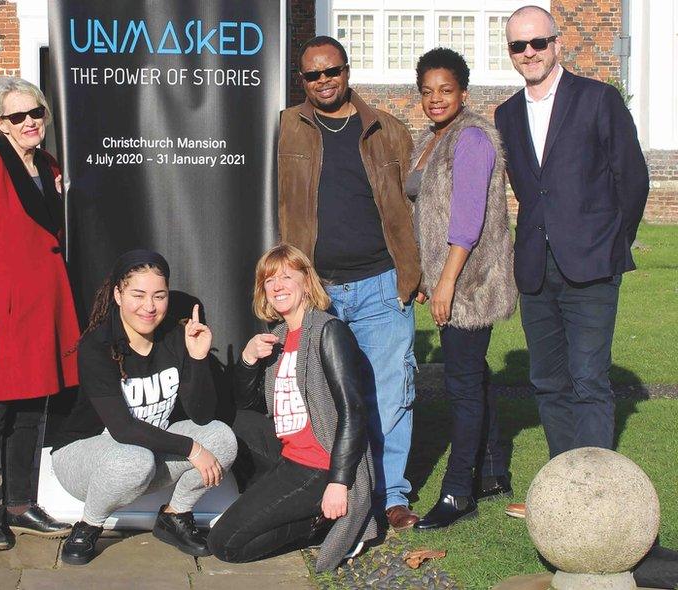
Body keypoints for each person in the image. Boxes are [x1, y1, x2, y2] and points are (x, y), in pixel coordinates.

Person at [493, 6, 649, 518]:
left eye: (538, 42)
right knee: (548, 381)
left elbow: (633, 179)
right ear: (511, 52)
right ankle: (564, 490)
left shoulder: (598, 99)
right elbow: (527, 189)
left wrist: (609, 241)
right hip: (536, 266)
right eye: (519, 46)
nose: (530, 53)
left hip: (591, 266)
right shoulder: (507, 114)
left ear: (557, 43)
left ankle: (596, 498)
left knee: (588, 380)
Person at [277, 35, 422, 530]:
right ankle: (336, 494)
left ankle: (390, 495)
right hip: (320, 291)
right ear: (302, 80)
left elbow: (414, 206)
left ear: (346, 71)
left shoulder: (387, 130)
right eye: (312, 75)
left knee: (388, 394)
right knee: (323, 397)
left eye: (331, 71)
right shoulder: (287, 128)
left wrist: (414, 271)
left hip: (382, 286)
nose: (323, 81)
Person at [47, 250, 237, 566]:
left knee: (222, 438)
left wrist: (199, 359)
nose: (149, 306)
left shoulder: (177, 336)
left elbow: (202, 416)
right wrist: (191, 449)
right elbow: (123, 429)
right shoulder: (98, 346)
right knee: (135, 458)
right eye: (138, 294)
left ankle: (175, 516)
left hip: (149, 453)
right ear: (118, 295)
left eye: (158, 296)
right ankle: (89, 524)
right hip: (84, 458)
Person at [0, 77, 78, 550]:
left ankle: (20, 504)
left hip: (43, 311)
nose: (30, 122)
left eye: (36, 113)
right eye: (17, 116)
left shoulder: (48, 165)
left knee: (31, 411)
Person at [208, 244, 376, 572]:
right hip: (289, 455)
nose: (278, 286)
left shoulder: (329, 331)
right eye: (269, 280)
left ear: (306, 282)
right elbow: (248, 407)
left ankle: (324, 525)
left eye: (287, 276)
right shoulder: (280, 337)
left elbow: (352, 411)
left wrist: (339, 482)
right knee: (231, 421)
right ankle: (273, 500)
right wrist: (247, 360)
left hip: (320, 464)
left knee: (224, 543)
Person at [405, 48, 518, 531]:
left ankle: (457, 492)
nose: (436, 99)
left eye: (446, 90)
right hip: (447, 277)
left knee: (463, 386)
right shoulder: (431, 139)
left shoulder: (470, 137)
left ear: (463, 93)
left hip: (470, 281)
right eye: (428, 91)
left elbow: (466, 223)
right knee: (472, 375)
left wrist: (446, 282)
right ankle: (492, 472)